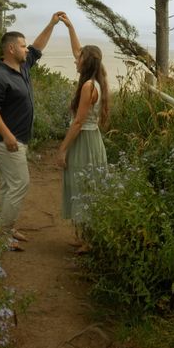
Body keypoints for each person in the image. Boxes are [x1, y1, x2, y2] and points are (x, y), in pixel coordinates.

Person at [0, 12, 64, 251]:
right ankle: (2, 236)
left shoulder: (22, 67)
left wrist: (51, 24)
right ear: (10, 49)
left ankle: (5, 227)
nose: (26, 49)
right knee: (20, 183)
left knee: (9, 185)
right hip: (7, 141)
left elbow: (37, 47)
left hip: (17, 140)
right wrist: (7, 135)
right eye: (21, 45)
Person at [56, 14, 109, 253]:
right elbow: (79, 49)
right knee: (83, 184)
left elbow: (78, 122)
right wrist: (70, 27)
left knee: (84, 186)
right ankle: (83, 236)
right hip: (90, 139)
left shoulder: (88, 86)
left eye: (79, 59)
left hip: (84, 140)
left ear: (85, 63)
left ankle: (88, 241)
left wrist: (62, 148)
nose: (75, 60)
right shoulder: (94, 79)